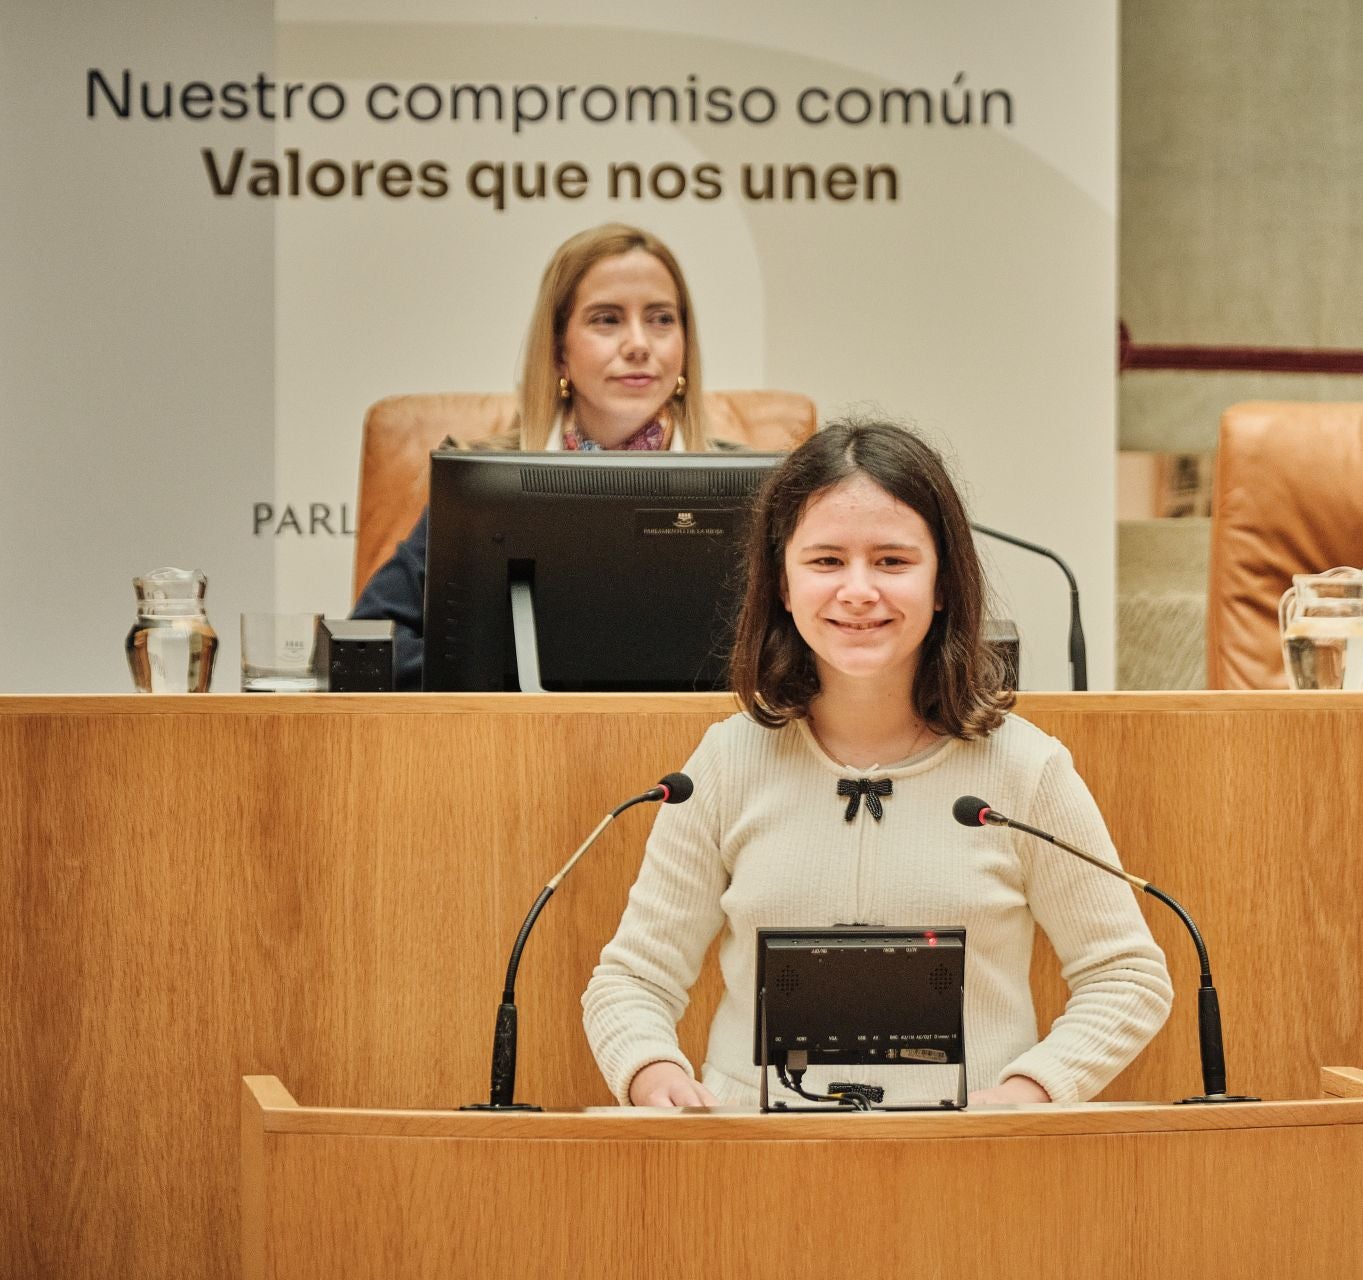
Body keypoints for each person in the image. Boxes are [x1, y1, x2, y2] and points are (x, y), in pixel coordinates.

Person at [582, 421, 1173, 1108]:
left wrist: (1028, 1091)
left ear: (944, 583)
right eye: (826, 561)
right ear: (781, 583)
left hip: (967, 1166)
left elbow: (1126, 975)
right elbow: (632, 979)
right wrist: (654, 1074)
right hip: (760, 1168)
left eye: (892, 562)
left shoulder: (1025, 770)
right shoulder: (725, 763)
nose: (858, 590)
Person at [350, 223, 712, 687]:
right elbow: (370, 637)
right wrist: (505, 678)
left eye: (662, 319)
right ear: (559, 350)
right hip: (514, 745)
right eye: (607, 319)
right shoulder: (481, 484)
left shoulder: (763, 488)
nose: (639, 344)